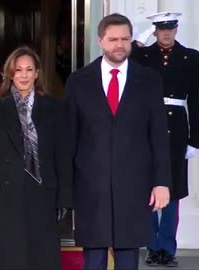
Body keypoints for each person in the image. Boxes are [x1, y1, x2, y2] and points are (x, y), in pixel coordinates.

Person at [61, 13, 172, 270]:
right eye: (113, 39)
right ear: (100, 41)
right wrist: (66, 189)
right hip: (91, 186)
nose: (119, 45)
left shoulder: (149, 80)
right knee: (95, 255)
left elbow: (158, 135)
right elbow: (68, 139)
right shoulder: (78, 81)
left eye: (125, 39)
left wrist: (162, 182)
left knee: (127, 254)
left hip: (134, 185)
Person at [0, 46, 72, 270]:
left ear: (37, 73)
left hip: (42, 194)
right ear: (10, 74)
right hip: (2, 197)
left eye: (29, 69)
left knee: (40, 258)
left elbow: (62, 155)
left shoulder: (54, 107)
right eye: (18, 70)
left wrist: (65, 198)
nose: (24, 75)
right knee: (5, 258)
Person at [131, 11, 199, 267]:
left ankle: (167, 248)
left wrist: (195, 139)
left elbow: (197, 99)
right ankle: (152, 246)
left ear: (176, 29)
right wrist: (139, 40)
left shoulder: (191, 57)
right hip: (146, 126)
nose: (166, 33)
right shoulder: (143, 56)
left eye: (170, 28)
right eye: (160, 28)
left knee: (173, 191)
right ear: (154, 30)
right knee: (149, 188)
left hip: (176, 128)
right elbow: (122, 58)